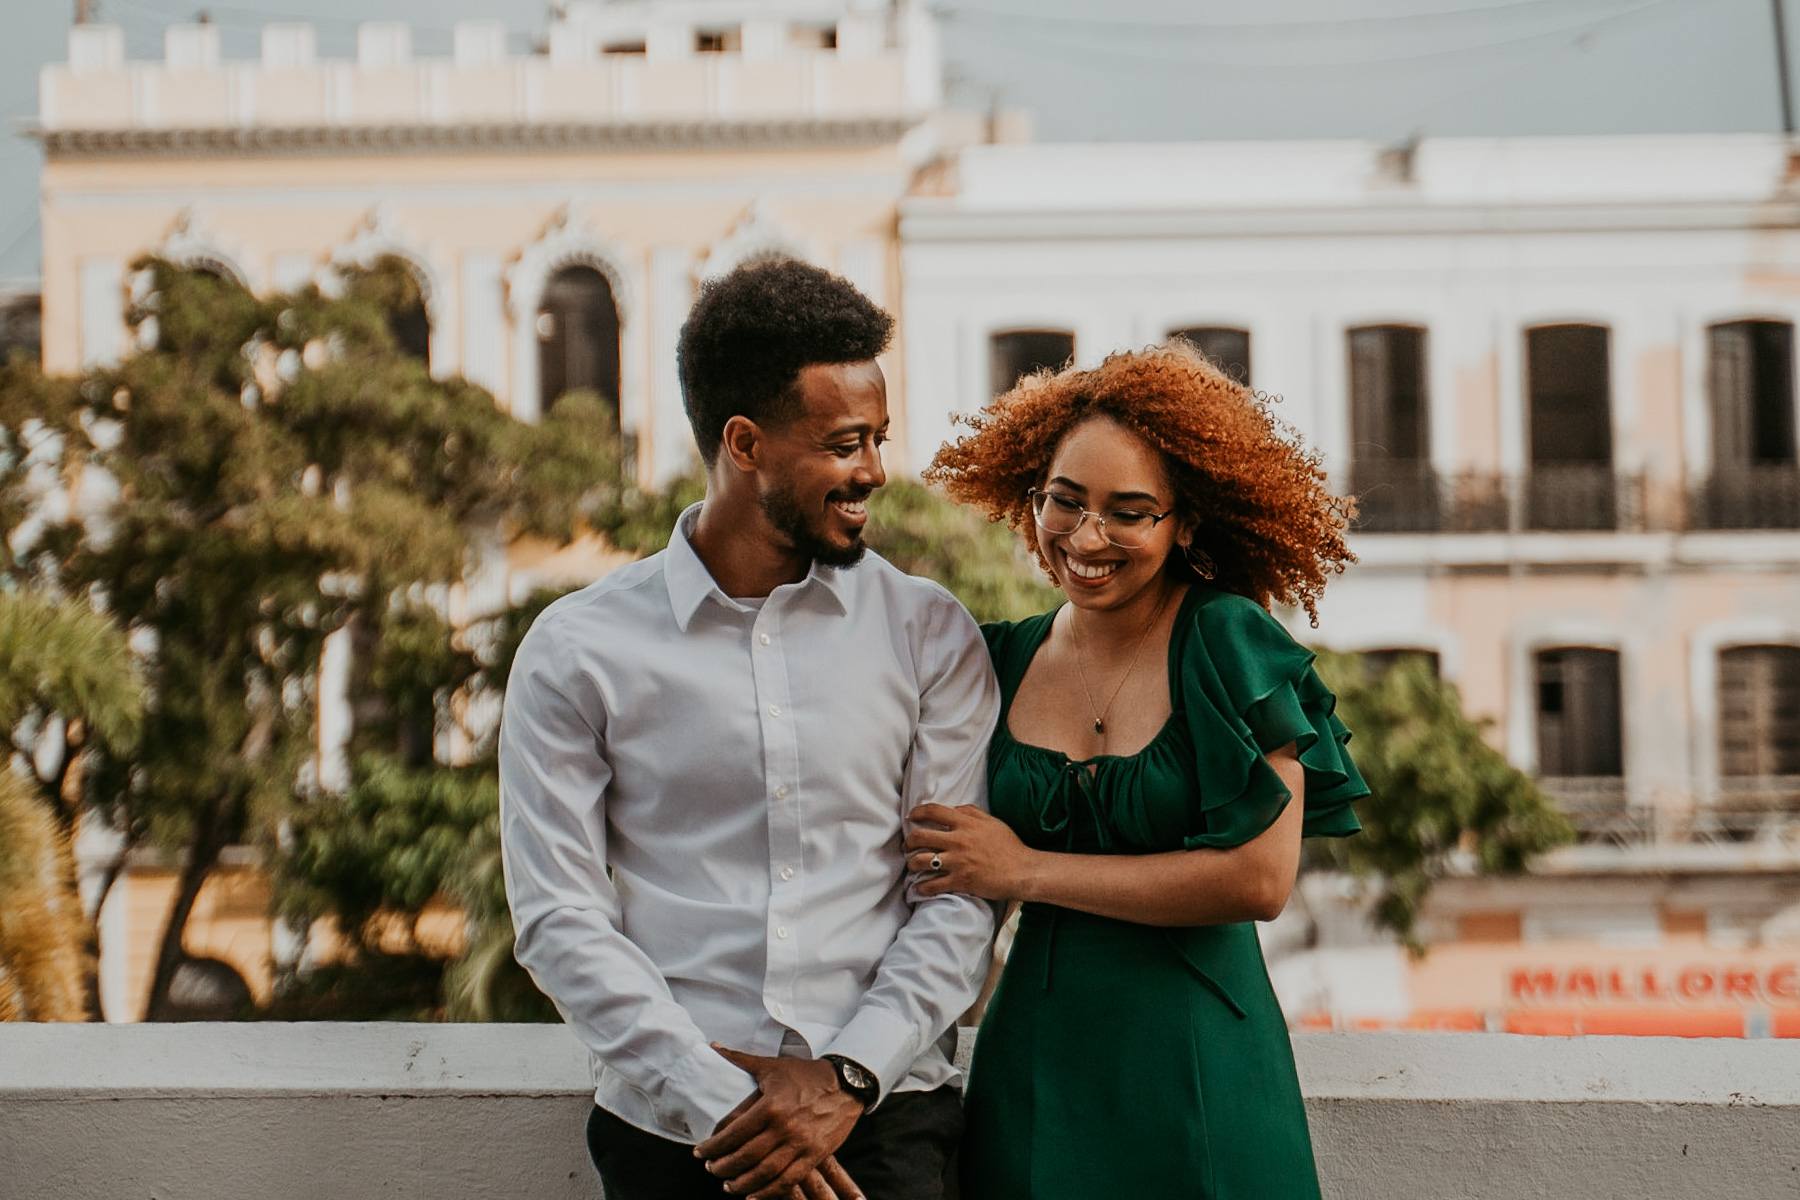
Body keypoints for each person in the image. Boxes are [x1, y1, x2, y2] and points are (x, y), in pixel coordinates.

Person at [499, 260, 999, 1200]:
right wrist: (718, 1099)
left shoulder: (929, 632)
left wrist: (848, 1077)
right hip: (676, 1141)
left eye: (879, 439)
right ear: (745, 443)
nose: (875, 473)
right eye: (847, 443)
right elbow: (558, 916)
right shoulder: (577, 649)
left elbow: (959, 896)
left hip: (886, 1127)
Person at [910, 341, 1369, 1199]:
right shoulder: (995, 661)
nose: (1086, 537)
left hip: (1203, 1059)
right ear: (1031, 497)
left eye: (1128, 511)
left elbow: (1259, 880)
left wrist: (1027, 869)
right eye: (1065, 501)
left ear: (1185, 522)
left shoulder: (1227, 642)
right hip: (1035, 1061)